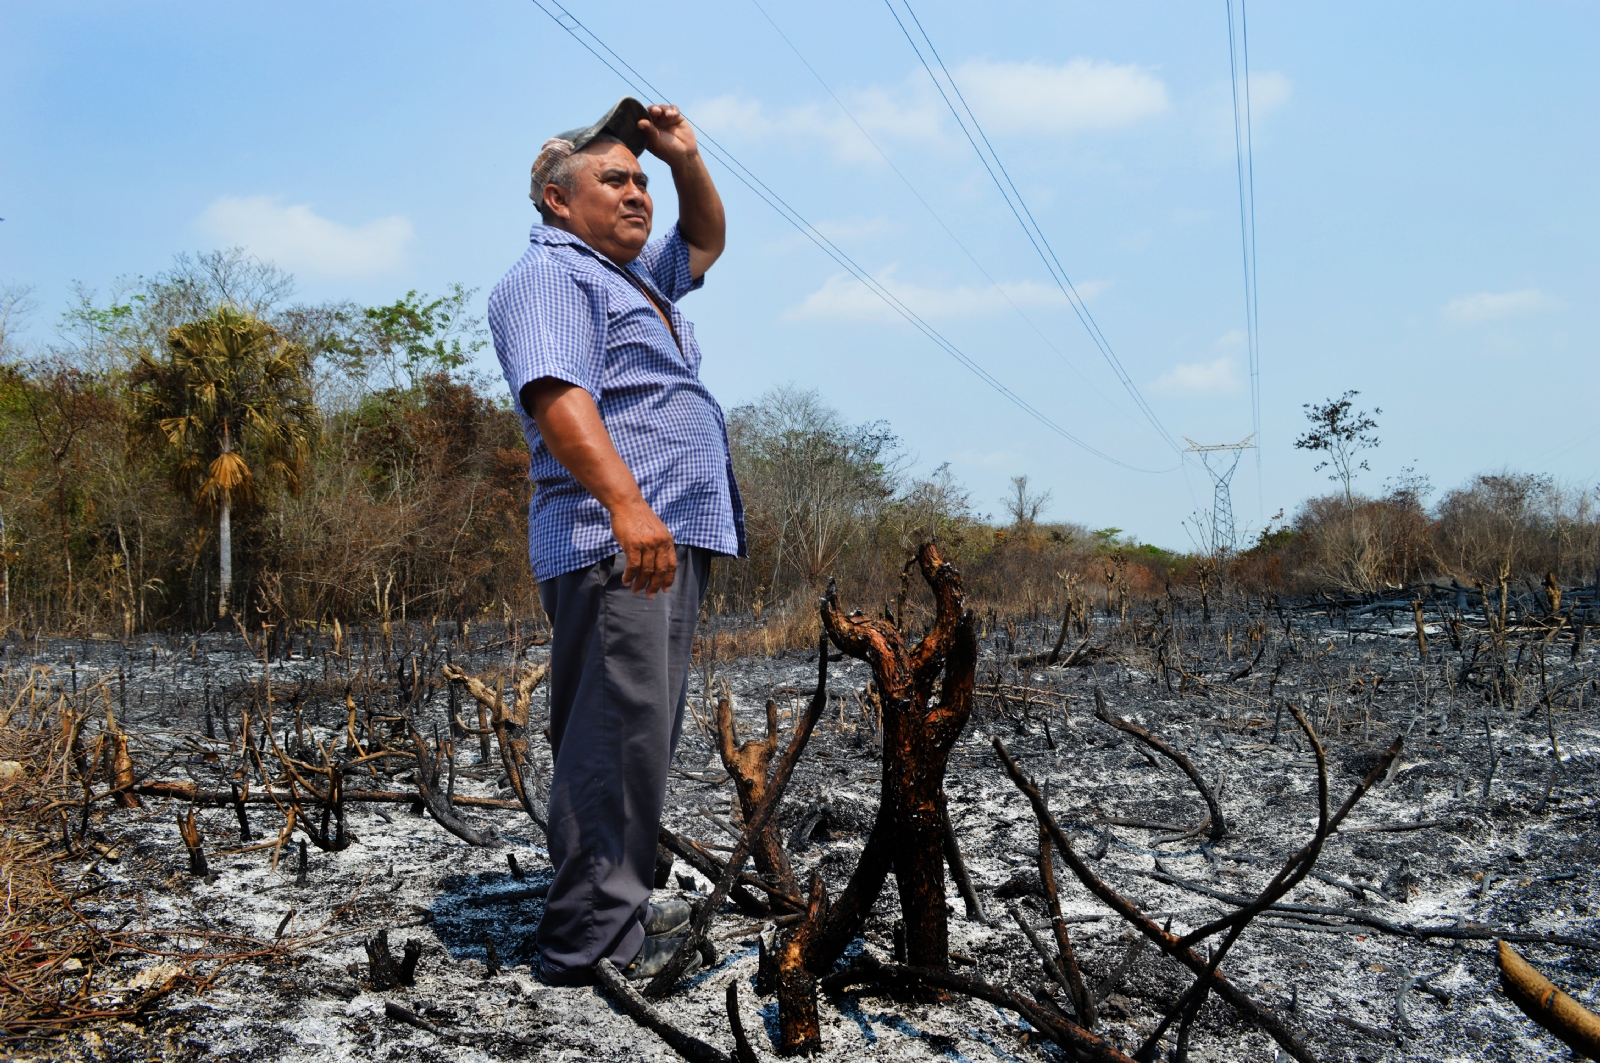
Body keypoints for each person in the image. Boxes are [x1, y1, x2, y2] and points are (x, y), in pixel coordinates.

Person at [488, 97, 745, 986]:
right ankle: (586, 943)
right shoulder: (551, 277)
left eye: (642, 181)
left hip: (654, 538)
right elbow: (560, 397)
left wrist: (684, 158)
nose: (638, 194)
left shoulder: (632, 278)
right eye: (616, 178)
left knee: (637, 736)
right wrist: (630, 508)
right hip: (615, 538)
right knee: (616, 738)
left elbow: (704, 241)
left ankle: (611, 920)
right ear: (559, 200)